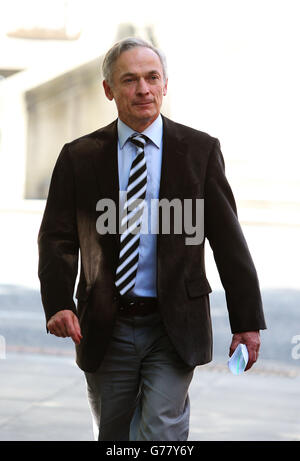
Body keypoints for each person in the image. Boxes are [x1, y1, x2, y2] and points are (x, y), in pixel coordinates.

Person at [38, 37, 266, 441]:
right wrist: (57, 303)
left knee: (161, 430)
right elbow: (57, 238)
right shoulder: (80, 156)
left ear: (165, 85)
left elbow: (229, 242)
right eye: (129, 80)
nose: (142, 89)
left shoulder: (199, 151)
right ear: (109, 89)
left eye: (151, 78)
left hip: (173, 324)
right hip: (106, 325)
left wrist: (246, 322)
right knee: (113, 434)